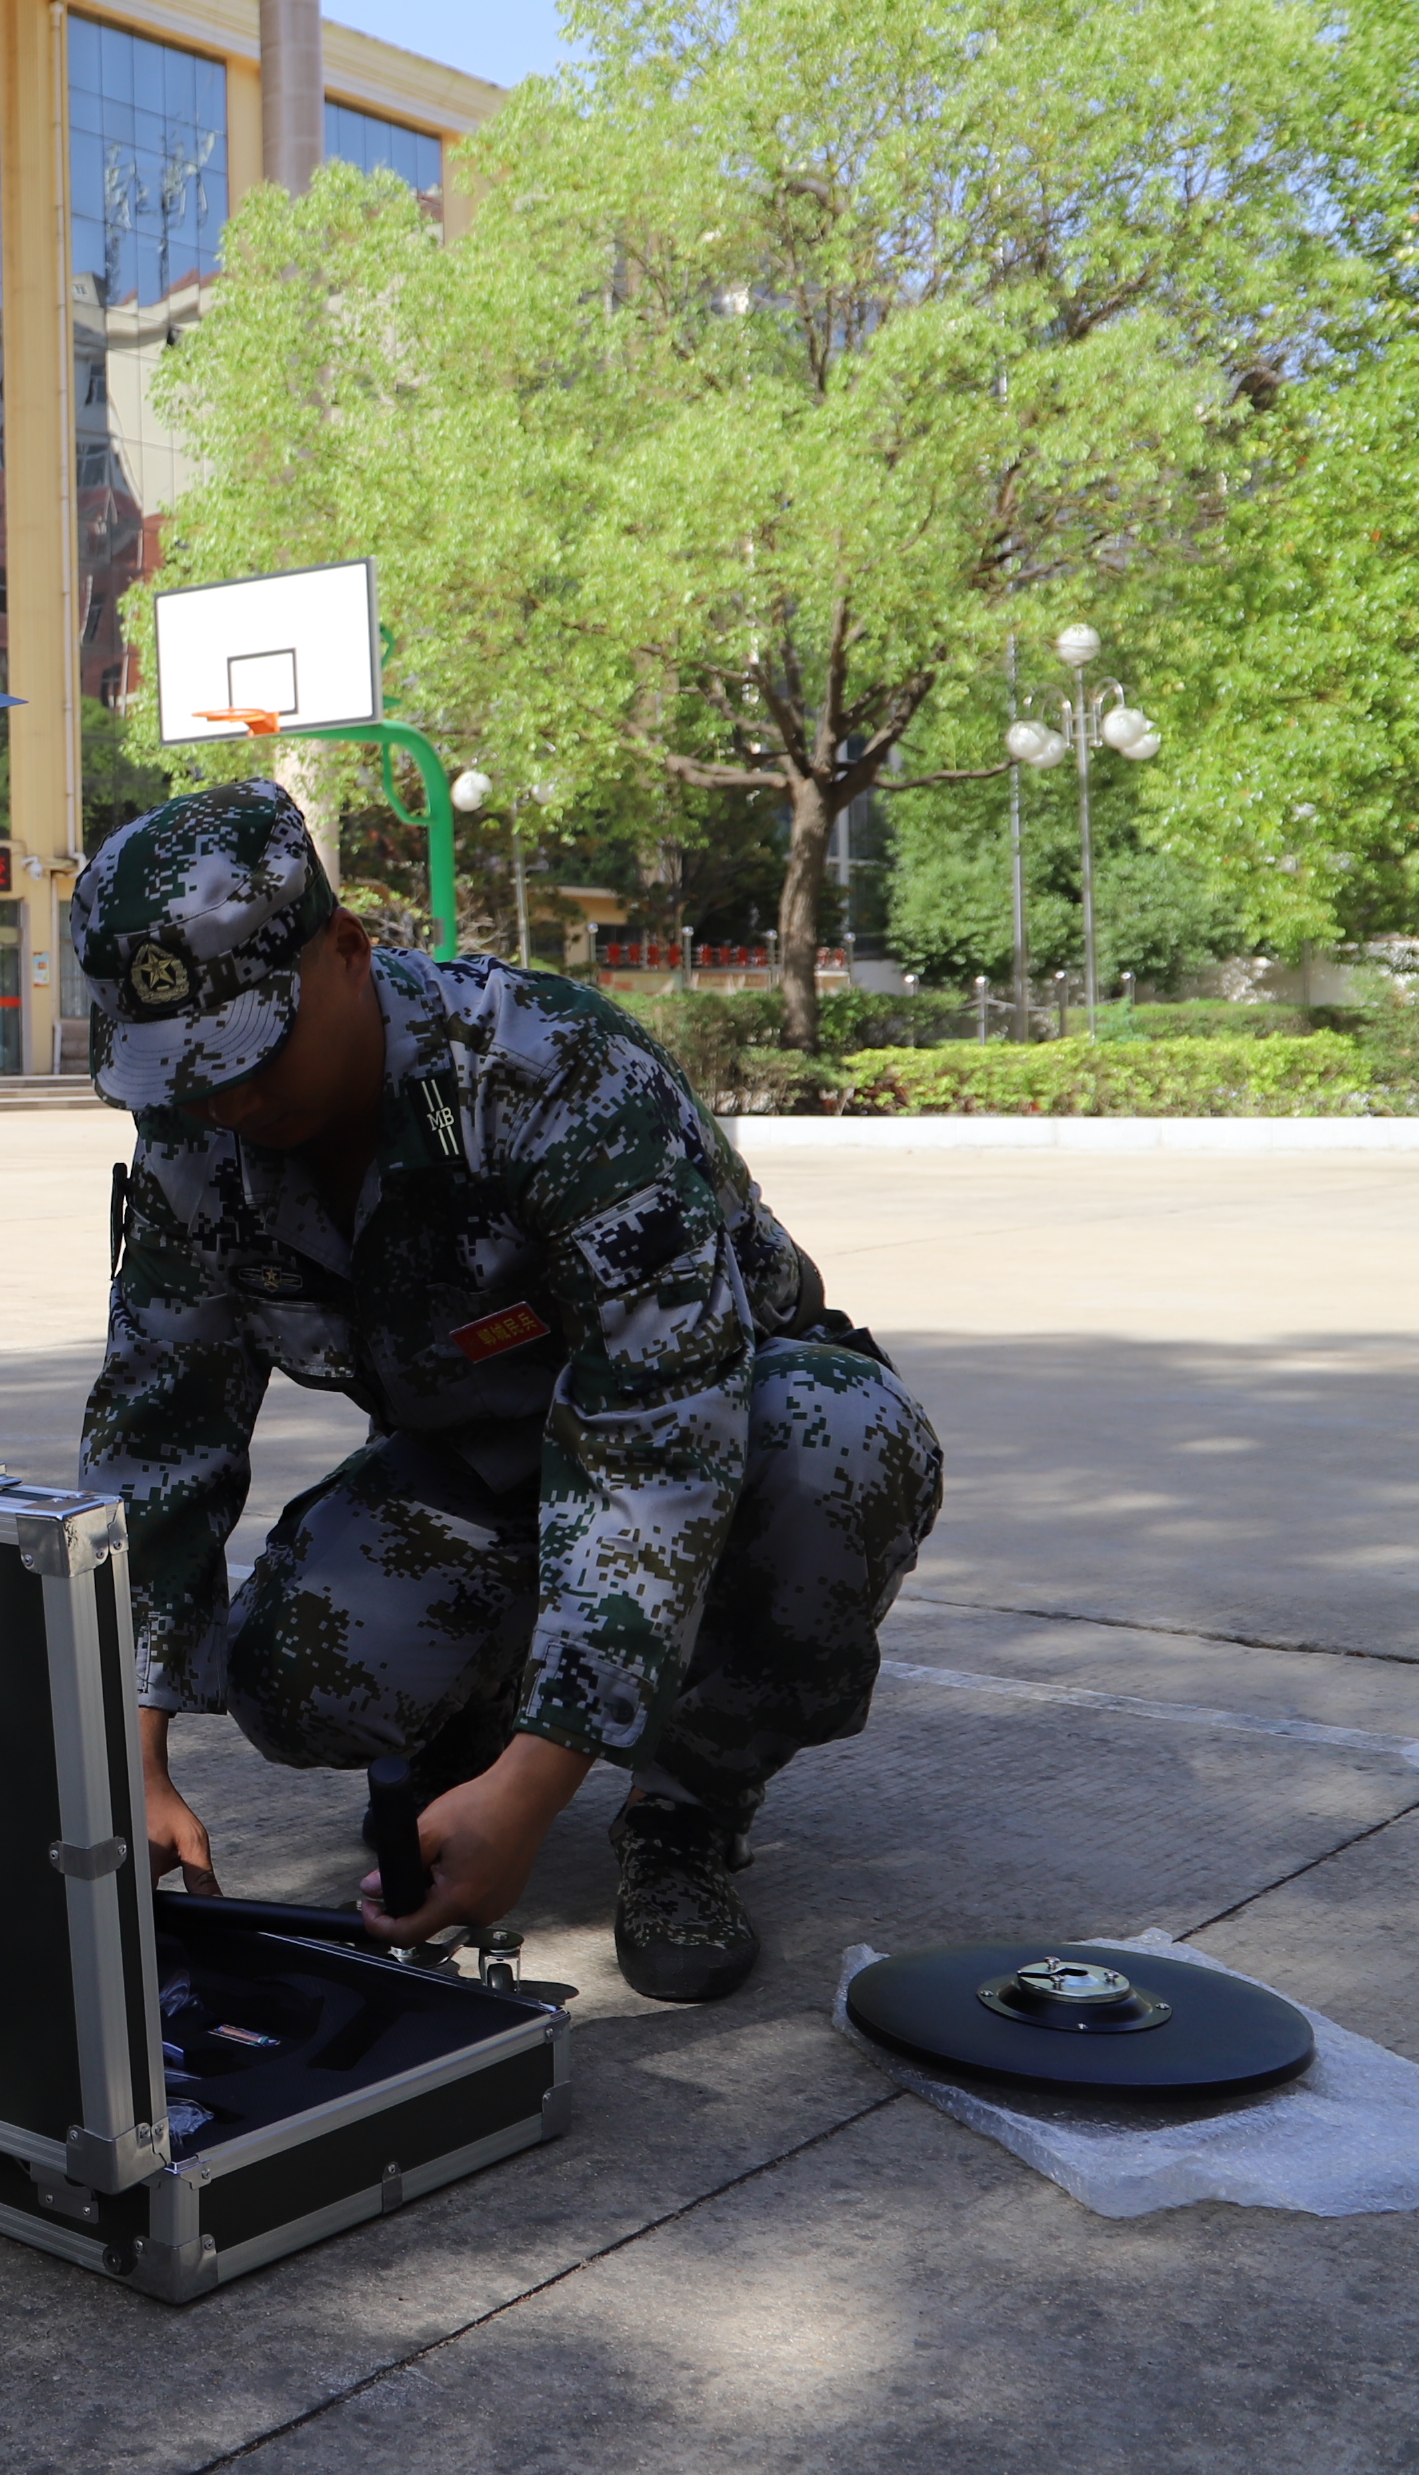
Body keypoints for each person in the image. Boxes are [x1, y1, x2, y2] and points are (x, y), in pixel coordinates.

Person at [73, 781, 942, 2001]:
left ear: (344, 948)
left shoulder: (548, 1073)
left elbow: (655, 1436)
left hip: (717, 1438)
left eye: (250, 1049)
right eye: (178, 1071)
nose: (224, 1100)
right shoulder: (195, 1135)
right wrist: (125, 1749)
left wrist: (536, 1790)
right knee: (298, 1669)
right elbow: (158, 1425)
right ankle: (465, 1735)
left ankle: (683, 1807)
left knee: (841, 1441)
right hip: (483, 1462)